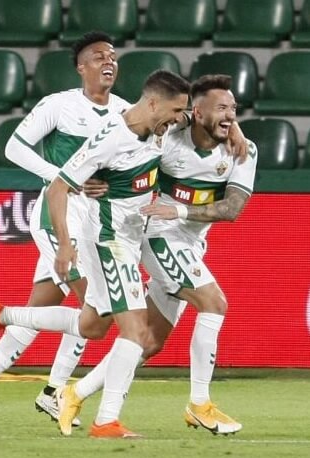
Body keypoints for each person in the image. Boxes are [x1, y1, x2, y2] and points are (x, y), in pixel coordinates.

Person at [0, 70, 192, 438]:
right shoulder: (111, 138)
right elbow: (59, 189)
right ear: (154, 103)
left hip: (129, 236)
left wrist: (229, 129)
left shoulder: (159, 125)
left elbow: (194, 117)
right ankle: (106, 420)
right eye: (175, 111)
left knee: (93, 325)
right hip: (110, 240)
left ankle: (3, 314)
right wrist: (63, 245)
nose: (178, 119)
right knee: (136, 330)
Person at [60, 74, 255, 436]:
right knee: (214, 303)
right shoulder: (169, 137)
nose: (229, 115)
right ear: (196, 113)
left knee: (148, 343)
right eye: (222, 108)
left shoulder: (242, 151)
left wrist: (234, 127)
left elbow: (231, 209)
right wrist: (94, 179)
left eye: (234, 109)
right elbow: (123, 149)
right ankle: (199, 404)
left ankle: (74, 392)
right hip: (157, 236)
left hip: (190, 242)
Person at [0, 31, 130, 426]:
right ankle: (54, 391)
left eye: (114, 56)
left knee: (43, 311)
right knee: (96, 308)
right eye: (99, 56)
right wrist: (65, 177)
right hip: (60, 216)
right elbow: (14, 147)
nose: (109, 62)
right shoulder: (59, 105)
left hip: (98, 221)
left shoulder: (124, 111)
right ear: (81, 66)